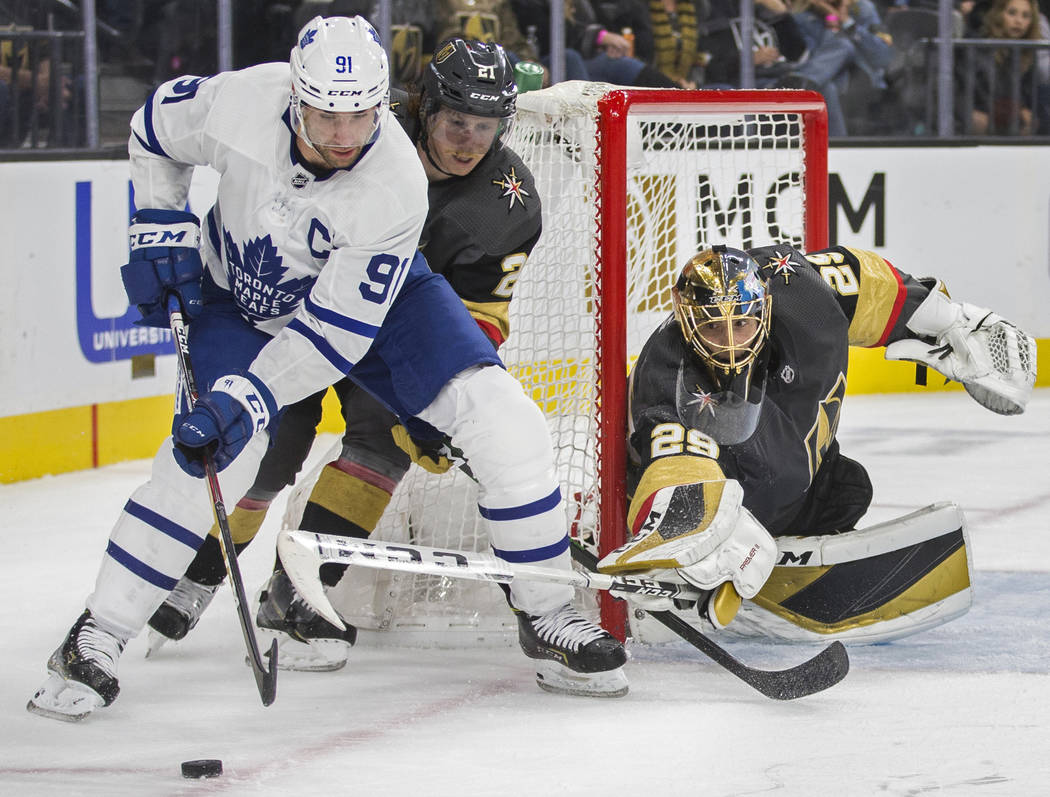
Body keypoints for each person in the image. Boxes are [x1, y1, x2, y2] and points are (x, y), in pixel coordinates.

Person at [27, 16, 626, 723]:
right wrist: (159, 220)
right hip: (239, 301)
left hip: (376, 303)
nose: (345, 135)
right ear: (294, 96)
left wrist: (253, 394)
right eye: (326, 114)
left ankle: (548, 609)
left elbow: (332, 335)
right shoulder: (238, 103)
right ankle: (99, 631)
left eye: (362, 115)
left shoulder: (395, 181)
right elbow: (154, 128)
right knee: (221, 454)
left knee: (504, 420)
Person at [146, 37, 544, 673]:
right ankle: (198, 574)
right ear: (424, 107)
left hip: (391, 337)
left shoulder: (507, 200)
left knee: (380, 448)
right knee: (268, 451)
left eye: (486, 126)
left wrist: (435, 406)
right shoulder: (358, 135)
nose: (469, 141)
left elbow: (480, 311)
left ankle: (297, 591)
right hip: (290, 315)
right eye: (456, 122)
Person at [594, 244, 1035, 630]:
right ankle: (723, 556)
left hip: (800, 482)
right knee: (713, 513)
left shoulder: (799, 290)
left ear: (763, 306)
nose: (730, 342)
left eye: (741, 324)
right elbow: (672, 465)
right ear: (686, 320)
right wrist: (690, 540)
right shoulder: (666, 374)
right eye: (713, 327)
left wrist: (950, 320)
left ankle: (786, 542)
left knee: (848, 489)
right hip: (740, 498)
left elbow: (863, 278)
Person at [788, 0, 895, 136]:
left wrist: (847, 22)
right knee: (828, 86)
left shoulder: (864, 9)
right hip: (830, 85)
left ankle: (801, 82)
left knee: (844, 46)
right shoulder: (802, 18)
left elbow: (883, 57)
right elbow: (816, 62)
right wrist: (831, 23)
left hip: (865, 82)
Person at [957, 0, 1044, 134]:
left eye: (1026, 16)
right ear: (998, 14)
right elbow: (963, 92)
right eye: (1012, 13)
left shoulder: (1028, 54)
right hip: (976, 124)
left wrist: (1027, 112)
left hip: (1009, 125)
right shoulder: (976, 47)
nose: (1018, 21)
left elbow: (1029, 96)